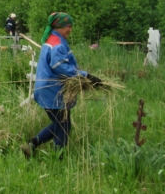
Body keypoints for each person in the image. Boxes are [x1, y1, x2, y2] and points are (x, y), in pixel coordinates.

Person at [20, 12, 103, 158]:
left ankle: (31, 145)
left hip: (48, 91)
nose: (70, 30)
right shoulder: (56, 44)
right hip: (52, 92)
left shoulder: (54, 39)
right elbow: (61, 67)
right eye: (68, 27)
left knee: (60, 124)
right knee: (63, 127)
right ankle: (58, 158)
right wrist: (86, 76)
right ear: (59, 26)